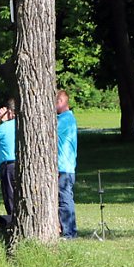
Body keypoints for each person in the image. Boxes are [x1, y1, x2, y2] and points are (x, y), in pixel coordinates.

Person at [56, 89, 78, 239]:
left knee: (65, 200)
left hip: (64, 166)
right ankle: (66, 230)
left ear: (61, 102)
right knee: (63, 199)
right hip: (65, 166)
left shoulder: (64, 119)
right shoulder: (66, 118)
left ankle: (70, 232)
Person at [0, 98, 16, 216]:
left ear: (10, 112)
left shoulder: (4, 127)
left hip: (8, 165)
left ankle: (12, 220)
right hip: (20, 163)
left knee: (9, 195)